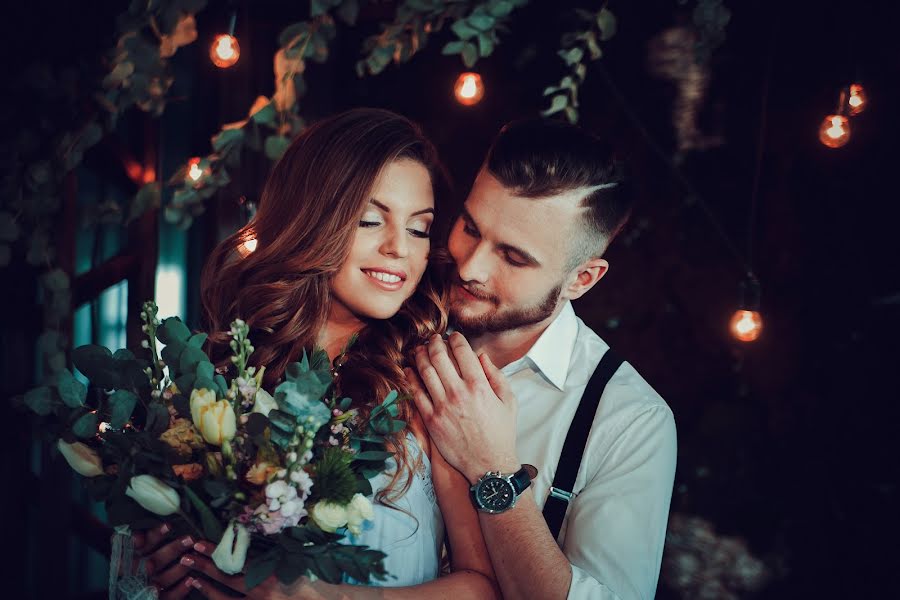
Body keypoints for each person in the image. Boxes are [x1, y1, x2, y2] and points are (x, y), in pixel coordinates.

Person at [133, 108, 498, 600]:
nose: (399, 249)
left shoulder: (426, 386)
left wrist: (319, 597)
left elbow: (482, 589)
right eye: (371, 220)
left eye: (419, 228)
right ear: (312, 219)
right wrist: (174, 554)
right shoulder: (219, 382)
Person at [405, 118, 678, 599]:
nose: (470, 266)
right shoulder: (399, 315)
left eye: (513, 257)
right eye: (470, 227)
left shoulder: (631, 421)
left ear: (583, 279)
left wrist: (492, 468)